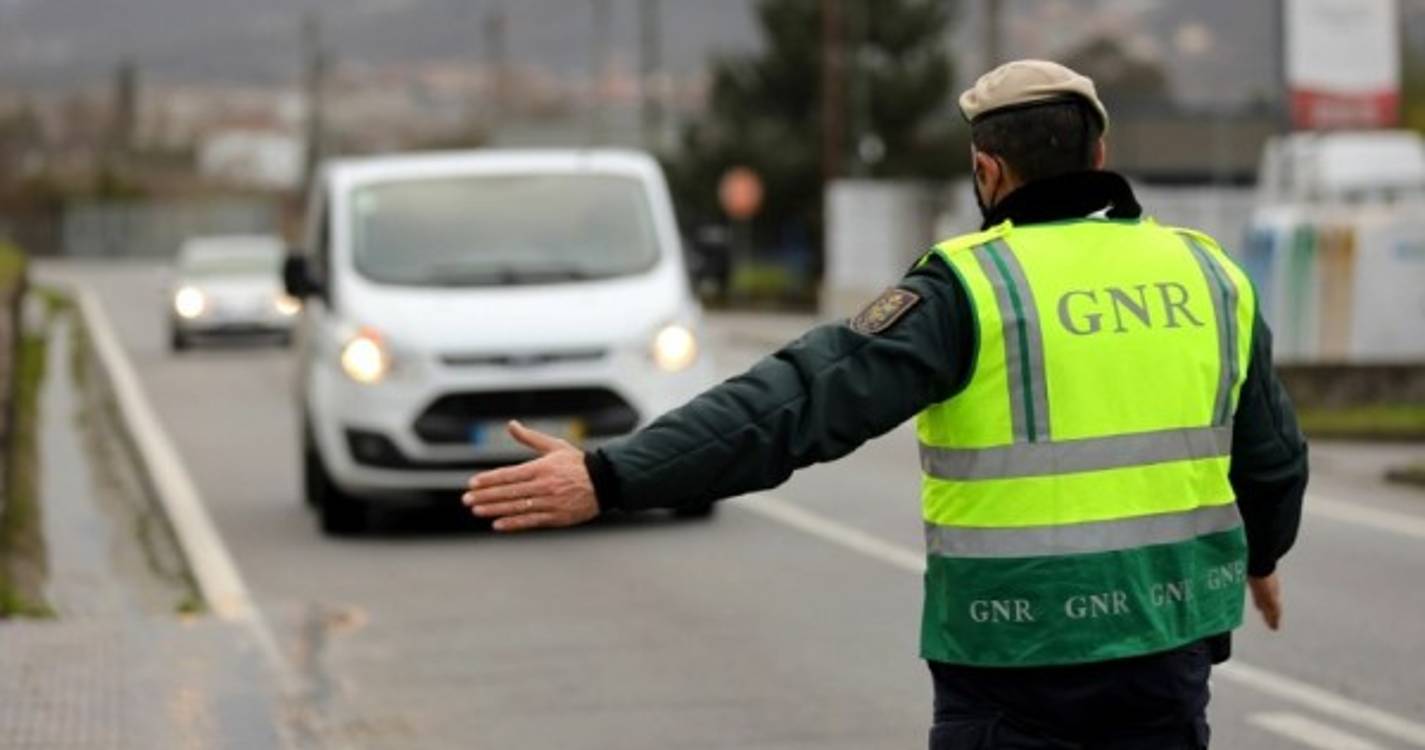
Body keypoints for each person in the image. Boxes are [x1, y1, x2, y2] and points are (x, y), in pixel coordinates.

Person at [462, 59, 1307, 750]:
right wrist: (1260, 554)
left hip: (1010, 657)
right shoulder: (1207, 272)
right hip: (1166, 653)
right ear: (1101, 153)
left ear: (987, 169)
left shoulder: (973, 287)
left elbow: (793, 402)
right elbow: (1270, 456)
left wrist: (611, 476)